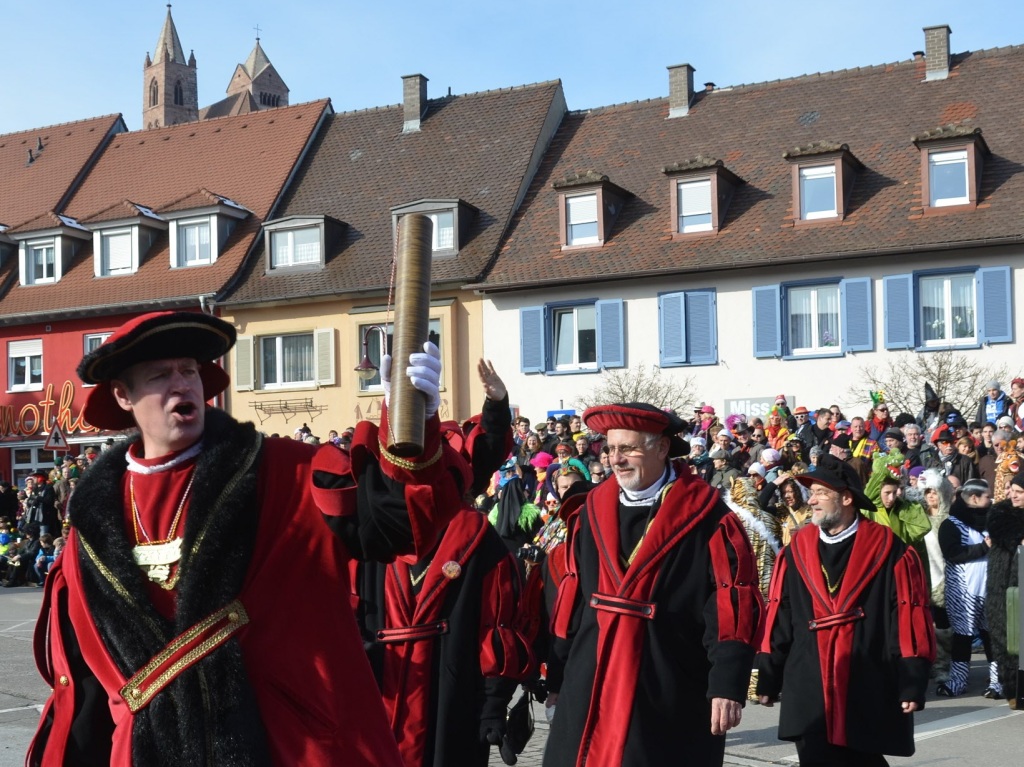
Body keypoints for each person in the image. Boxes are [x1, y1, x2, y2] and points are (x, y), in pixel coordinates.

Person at [26, 311, 465, 767]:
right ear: (123, 395)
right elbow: (84, 688)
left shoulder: (287, 472)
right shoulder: (91, 527)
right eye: (160, 375)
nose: (182, 385)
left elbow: (395, 525)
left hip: (295, 749)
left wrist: (412, 430)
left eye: (190, 371)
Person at [544, 403, 763, 766]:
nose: (616, 459)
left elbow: (732, 602)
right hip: (590, 677)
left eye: (628, 448)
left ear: (662, 448)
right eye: (610, 449)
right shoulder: (589, 513)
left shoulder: (708, 517)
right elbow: (572, 600)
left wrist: (727, 683)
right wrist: (556, 676)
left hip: (668, 681)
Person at [756, 455, 935, 767]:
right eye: (810, 492)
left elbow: (908, 616)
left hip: (866, 679)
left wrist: (912, 678)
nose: (811, 500)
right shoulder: (795, 552)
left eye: (821, 493)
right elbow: (780, 616)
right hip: (807, 681)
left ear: (847, 498)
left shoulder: (890, 550)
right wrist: (769, 675)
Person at [937, 479, 1000, 698]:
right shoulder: (951, 524)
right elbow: (953, 553)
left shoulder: (992, 521)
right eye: (987, 497)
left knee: (991, 636)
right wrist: (984, 547)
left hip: (990, 589)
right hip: (962, 593)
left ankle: (997, 681)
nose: (990, 500)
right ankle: (958, 681)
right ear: (974, 498)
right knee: (962, 638)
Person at [985, 472, 1024, 709]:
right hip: (1003, 586)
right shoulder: (1001, 513)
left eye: (1019, 492)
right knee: (1006, 636)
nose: (1013, 495)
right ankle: (1012, 688)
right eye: (1012, 490)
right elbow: (1008, 534)